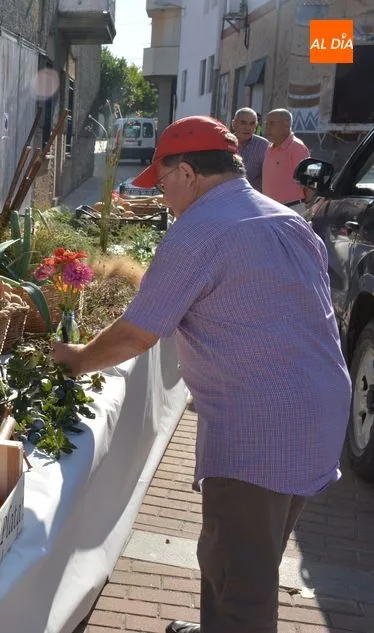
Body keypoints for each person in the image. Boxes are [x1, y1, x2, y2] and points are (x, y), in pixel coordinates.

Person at [50, 116, 350, 633]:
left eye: (163, 183)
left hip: (262, 425)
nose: (164, 197)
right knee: (245, 553)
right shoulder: (285, 218)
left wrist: (76, 360)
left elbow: (138, 333)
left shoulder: (199, 231)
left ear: (187, 173)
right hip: (320, 411)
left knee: (242, 587)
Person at [262, 108, 311, 214]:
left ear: (286, 125)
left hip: (291, 209)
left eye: (272, 124)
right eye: (266, 124)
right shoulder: (270, 147)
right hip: (269, 208)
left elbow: (309, 182)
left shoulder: (297, 147)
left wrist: (307, 207)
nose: (267, 128)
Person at [231, 107, 269, 192]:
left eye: (252, 124)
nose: (247, 128)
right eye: (243, 123)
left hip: (252, 199)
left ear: (256, 126)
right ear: (234, 124)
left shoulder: (263, 146)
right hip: (225, 197)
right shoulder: (223, 143)